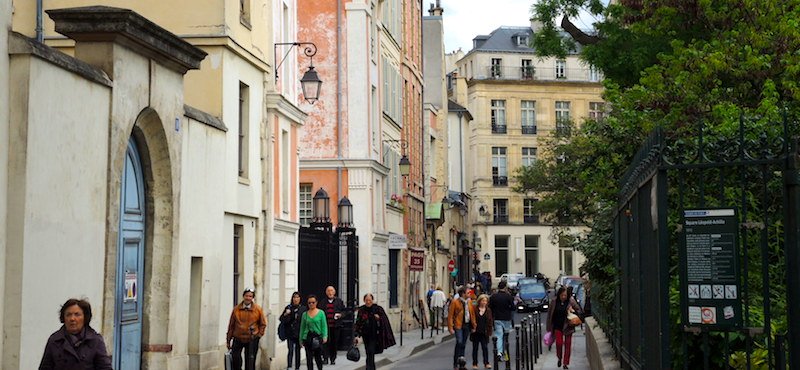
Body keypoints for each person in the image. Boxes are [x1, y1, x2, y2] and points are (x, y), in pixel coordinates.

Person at [39, 298, 112, 370]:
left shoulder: (95, 341)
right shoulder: (54, 341)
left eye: (77, 314)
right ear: (63, 318)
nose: (72, 319)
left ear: (85, 317)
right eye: (68, 315)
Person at [226, 287, 267, 370]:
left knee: (250, 361)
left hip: (252, 338)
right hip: (238, 337)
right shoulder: (236, 309)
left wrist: (259, 335)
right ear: (243, 296)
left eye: (250, 296)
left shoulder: (258, 310)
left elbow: (263, 323)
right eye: (246, 296)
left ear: (252, 298)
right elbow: (231, 325)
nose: (248, 298)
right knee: (236, 359)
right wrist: (228, 340)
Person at [354, 293, 396, 370]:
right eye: (366, 300)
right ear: (364, 300)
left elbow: (384, 320)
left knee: (371, 351)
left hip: (375, 334)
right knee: (368, 352)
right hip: (365, 335)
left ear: (372, 300)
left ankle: (369, 368)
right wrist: (357, 335)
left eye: (370, 300)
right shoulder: (361, 310)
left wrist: (379, 318)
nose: (368, 302)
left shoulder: (378, 309)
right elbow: (358, 322)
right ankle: (370, 367)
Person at [547, 287, 581, 369]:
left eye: (565, 295)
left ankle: (565, 363)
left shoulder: (570, 301)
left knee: (568, 345)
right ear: (559, 295)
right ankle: (559, 357)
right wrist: (549, 327)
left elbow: (579, 310)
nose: (563, 297)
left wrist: (572, 310)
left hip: (568, 326)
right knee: (559, 343)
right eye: (562, 295)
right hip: (557, 326)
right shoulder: (554, 301)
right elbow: (549, 314)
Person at [300, 295, 328, 370]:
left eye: (313, 302)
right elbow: (302, 328)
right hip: (308, 337)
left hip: (317, 337)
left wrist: (325, 336)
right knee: (309, 358)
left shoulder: (321, 313)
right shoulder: (304, 314)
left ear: (316, 303)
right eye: (309, 303)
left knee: (318, 357)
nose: (311, 304)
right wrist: (301, 339)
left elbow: (324, 325)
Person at [488, 281, 514, 362]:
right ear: (505, 287)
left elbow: (490, 308)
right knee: (505, 336)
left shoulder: (493, 297)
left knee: (499, 335)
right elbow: (513, 307)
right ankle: (505, 353)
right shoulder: (508, 296)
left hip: (497, 318)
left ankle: (499, 353)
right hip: (506, 318)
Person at [280, 292, 306, 370]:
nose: (296, 299)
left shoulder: (303, 309)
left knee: (298, 350)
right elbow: (281, 319)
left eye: (297, 297)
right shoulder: (288, 307)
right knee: (290, 349)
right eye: (294, 297)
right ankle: (289, 365)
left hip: (299, 332)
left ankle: (297, 366)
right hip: (290, 332)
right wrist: (286, 314)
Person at [448, 286, 471, 370]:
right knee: (459, 342)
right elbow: (450, 315)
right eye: (468, 292)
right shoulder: (455, 302)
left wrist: (474, 325)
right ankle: (456, 363)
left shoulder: (469, 302)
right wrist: (450, 327)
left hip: (466, 324)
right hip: (458, 324)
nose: (470, 294)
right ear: (463, 293)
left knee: (463, 344)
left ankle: (462, 362)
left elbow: (471, 314)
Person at [322, 286, 345, 364]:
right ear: (326, 292)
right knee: (325, 342)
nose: (330, 292)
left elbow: (344, 312)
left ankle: (333, 358)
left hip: (336, 326)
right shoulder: (323, 302)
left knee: (334, 343)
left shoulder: (339, 301)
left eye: (331, 291)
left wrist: (340, 315)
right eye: (328, 291)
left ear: (334, 292)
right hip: (326, 326)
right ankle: (325, 358)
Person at [470, 294, 494, 369]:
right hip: (476, 332)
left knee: (485, 347)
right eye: (483, 301)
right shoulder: (475, 309)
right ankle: (475, 363)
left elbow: (490, 321)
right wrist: (472, 328)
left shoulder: (488, 310)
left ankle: (486, 363)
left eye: (485, 301)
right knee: (475, 348)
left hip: (484, 332)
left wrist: (489, 331)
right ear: (479, 301)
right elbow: (472, 319)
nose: (484, 302)